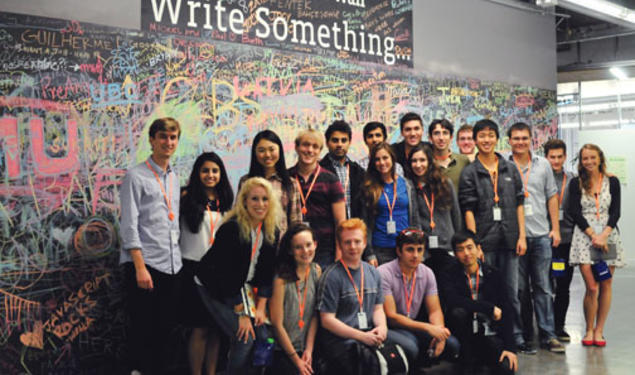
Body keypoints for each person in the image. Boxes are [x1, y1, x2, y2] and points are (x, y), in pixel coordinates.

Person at [195, 177, 282, 373]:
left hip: (242, 284)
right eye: (254, 199)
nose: (260, 205)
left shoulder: (271, 230)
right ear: (244, 202)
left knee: (264, 337)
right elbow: (224, 276)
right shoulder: (232, 229)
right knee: (244, 338)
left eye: (265, 199)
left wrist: (260, 308)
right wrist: (241, 313)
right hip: (212, 284)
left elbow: (266, 271)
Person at [119, 117, 183, 375]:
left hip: (172, 265)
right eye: (163, 137)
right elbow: (129, 224)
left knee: (165, 331)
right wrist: (139, 266)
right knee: (142, 330)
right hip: (145, 266)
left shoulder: (174, 178)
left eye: (173, 137)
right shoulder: (136, 176)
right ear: (152, 140)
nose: (168, 142)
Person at [458, 119, 526, 356]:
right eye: (481, 136)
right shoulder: (470, 172)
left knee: (512, 292)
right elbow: (468, 209)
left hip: (510, 240)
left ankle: (515, 336)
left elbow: (519, 204)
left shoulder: (509, 168)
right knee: (487, 292)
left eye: (490, 135)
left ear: (497, 139)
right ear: (475, 140)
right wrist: (475, 245)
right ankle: (491, 337)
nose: (486, 140)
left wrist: (522, 236)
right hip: (485, 242)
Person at [507, 122, 565, 354]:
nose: (520, 142)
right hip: (515, 238)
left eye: (524, 138)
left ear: (532, 139)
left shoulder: (543, 165)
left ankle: (548, 335)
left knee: (543, 287)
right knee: (518, 290)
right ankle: (521, 336)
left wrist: (556, 229)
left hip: (541, 235)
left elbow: (552, 197)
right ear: (509, 140)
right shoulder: (504, 165)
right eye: (516, 138)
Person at [179, 152, 234, 375]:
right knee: (199, 328)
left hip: (218, 271)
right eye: (205, 171)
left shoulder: (226, 200)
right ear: (197, 173)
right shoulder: (186, 198)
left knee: (216, 329)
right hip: (193, 268)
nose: (210, 175)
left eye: (215, 171)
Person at [568, 144, 625, 347]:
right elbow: (574, 212)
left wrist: (604, 234)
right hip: (584, 236)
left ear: (600, 158)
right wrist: (593, 235)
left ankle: (599, 330)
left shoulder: (613, 181)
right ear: (581, 161)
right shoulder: (576, 183)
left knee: (606, 284)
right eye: (585, 158)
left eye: (593, 157)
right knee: (592, 287)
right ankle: (588, 329)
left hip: (608, 235)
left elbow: (616, 211)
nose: (589, 162)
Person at [379, 228, 460, 370]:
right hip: (389, 328)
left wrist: (439, 332)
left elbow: (434, 310)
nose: (415, 255)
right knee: (411, 346)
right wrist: (429, 328)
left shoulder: (427, 272)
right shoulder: (384, 273)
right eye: (410, 250)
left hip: (413, 325)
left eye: (419, 250)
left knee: (452, 344)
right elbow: (391, 317)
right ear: (399, 251)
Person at [316, 218, 389, 373]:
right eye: (347, 242)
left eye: (357, 241)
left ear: (364, 243)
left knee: (406, 351)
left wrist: (382, 327)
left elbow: (378, 309)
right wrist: (361, 337)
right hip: (340, 340)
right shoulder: (331, 276)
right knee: (365, 364)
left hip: (368, 333)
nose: (353, 247)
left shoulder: (373, 272)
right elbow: (327, 320)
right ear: (340, 244)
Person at [441, 230, 518, 375]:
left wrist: (510, 347)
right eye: (460, 250)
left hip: (489, 332)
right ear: (455, 254)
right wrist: (488, 308)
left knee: (507, 369)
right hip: (463, 336)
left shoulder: (493, 274)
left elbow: (506, 309)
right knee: (458, 312)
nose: (466, 253)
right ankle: (467, 361)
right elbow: (453, 300)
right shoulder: (449, 274)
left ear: (478, 248)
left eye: (470, 247)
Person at [288, 129, 346, 268]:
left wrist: (339, 257)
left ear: (320, 151)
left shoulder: (331, 179)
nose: (309, 150)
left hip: (325, 251)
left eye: (315, 147)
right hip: (294, 250)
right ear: (296, 147)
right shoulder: (286, 177)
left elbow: (340, 222)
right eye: (305, 145)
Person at [268, 224, 321, 375]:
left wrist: (309, 351)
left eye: (308, 245)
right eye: (298, 247)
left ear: (315, 244)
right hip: (283, 350)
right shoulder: (280, 279)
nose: (305, 251)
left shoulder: (316, 271)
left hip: (306, 348)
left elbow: (314, 316)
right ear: (290, 251)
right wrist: (297, 361)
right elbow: (277, 325)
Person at [407, 143, 462, 276]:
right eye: (414, 161)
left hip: (447, 247)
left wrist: (458, 245)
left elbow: (456, 215)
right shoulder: (409, 187)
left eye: (422, 160)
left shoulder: (445, 183)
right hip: (425, 253)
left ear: (430, 161)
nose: (418, 165)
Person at [361, 142, 420, 265]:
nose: (382, 163)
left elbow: (414, 217)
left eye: (385, 158)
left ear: (393, 159)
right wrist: (369, 253)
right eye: (377, 159)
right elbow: (365, 223)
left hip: (405, 247)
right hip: (380, 249)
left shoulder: (407, 184)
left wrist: (417, 248)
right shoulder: (369, 187)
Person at [240, 130, 302, 235]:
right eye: (261, 150)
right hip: (252, 244)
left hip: (281, 246)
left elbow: (295, 222)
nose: (267, 155)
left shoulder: (291, 183)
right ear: (255, 153)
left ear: (279, 151)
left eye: (272, 149)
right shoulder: (246, 182)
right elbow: (240, 215)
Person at [544, 139, 575, 342]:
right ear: (546, 157)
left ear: (564, 157)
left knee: (563, 285)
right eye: (552, 157)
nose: (556, 161)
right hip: (545, 239)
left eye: (559, 157)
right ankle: (545, 326)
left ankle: (559, 325)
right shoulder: (540, 177)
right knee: (544, 287)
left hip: (567, 240)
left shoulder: (573, 179)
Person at [319, 120, 366, 219]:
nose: (339, 144)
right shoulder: (319, 169)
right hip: (328, 227)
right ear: (327, 143)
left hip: (353, 226)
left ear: (349, 143)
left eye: (344, 140)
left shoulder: (357, 171)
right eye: (335, 140)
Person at [428, 119, 470, 189]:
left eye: (445, 133)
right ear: (430, 138)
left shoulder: (463, 161)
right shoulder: (425, 163)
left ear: (451, 137)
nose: (441, 138)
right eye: (436, 133)